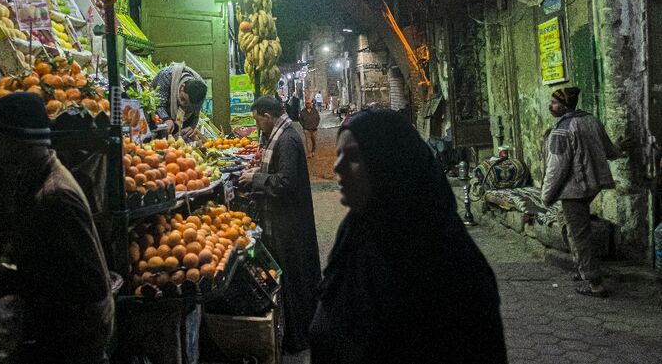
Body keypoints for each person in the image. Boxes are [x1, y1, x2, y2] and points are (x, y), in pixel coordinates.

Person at [310, 109, 506, 363]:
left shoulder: (446, 263)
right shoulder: (355, 232)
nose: (338, 168)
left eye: (354, 157)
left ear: (388, 164)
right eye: (339, 156)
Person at [0, 93, 115, 363]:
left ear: (16, 139)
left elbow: (88, 285)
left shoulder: (55, 195)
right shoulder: (33, 180)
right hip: (65, 329)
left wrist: (13, 282)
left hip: (78, 337)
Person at [239, 96, 321, 353]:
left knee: (292, 276)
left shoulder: (286, 140)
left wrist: (256, 178)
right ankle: (297, 334)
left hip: (290, 222)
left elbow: (285, 182)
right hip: (289, 219)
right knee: (293, 275)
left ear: (267, 116)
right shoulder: (285, 132)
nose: (257, 126)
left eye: (257, 120)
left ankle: (297, 339)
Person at [542, 87, 630, 298]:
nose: (551, 106)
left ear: (563, 106)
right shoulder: (591, 120)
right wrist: (620, 147)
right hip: (592, 185)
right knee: (573, 229)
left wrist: (546, 195)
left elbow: (557, 168)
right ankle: (583, 270)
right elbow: (608, 150)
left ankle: (594, 283)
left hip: (574, 190)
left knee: (579, 234)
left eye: (554, 103)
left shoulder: (562, 130)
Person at [152, 62, 208, 137]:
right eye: (183, 99)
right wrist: (166, 118)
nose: (183, 105)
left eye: (188, 104)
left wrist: (191, 126)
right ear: (182, 87)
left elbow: (195, 114)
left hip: (181, 122)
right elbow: (158, 103)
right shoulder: (167, 75)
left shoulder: (200, 91)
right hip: (158, 119)